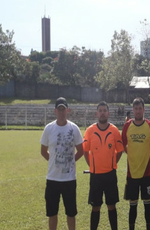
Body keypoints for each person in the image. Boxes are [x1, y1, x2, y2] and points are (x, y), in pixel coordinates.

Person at [40, 97, 83, 230]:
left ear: (67, 110)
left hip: (69, 179)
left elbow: (81, 151)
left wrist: (68, 162)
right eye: (59, 110)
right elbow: (43, 151)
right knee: (52, 213)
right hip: (52, 179)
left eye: (63, 110)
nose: (61, 112)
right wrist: (55, 162)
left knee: (71, 213)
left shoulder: (74, 129)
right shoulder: (49, 129)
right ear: (55, 111)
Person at [83, 101, 125, 230]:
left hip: (110, 175)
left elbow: (120, 150)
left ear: (108, 113)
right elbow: (85, 151)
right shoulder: (90, 131)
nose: (102, 113)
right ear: (97, 113)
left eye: (104, 110)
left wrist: (112, 163)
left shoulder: (114, 131)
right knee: (96, 207)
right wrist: (93, 166)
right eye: (100, 110)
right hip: (95, 176)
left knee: (111, 206)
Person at [122, 97, 150, 230]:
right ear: (133, 110)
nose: (138, 111)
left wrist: (147, 155)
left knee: (147, 204)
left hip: (146, 172)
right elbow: (123, 144)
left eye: (140, 108)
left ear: (144, 109)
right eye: (136, 109)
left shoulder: (149, 126)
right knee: (133, 205)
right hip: (132, 173)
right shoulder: (127, 126)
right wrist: (131, 154)